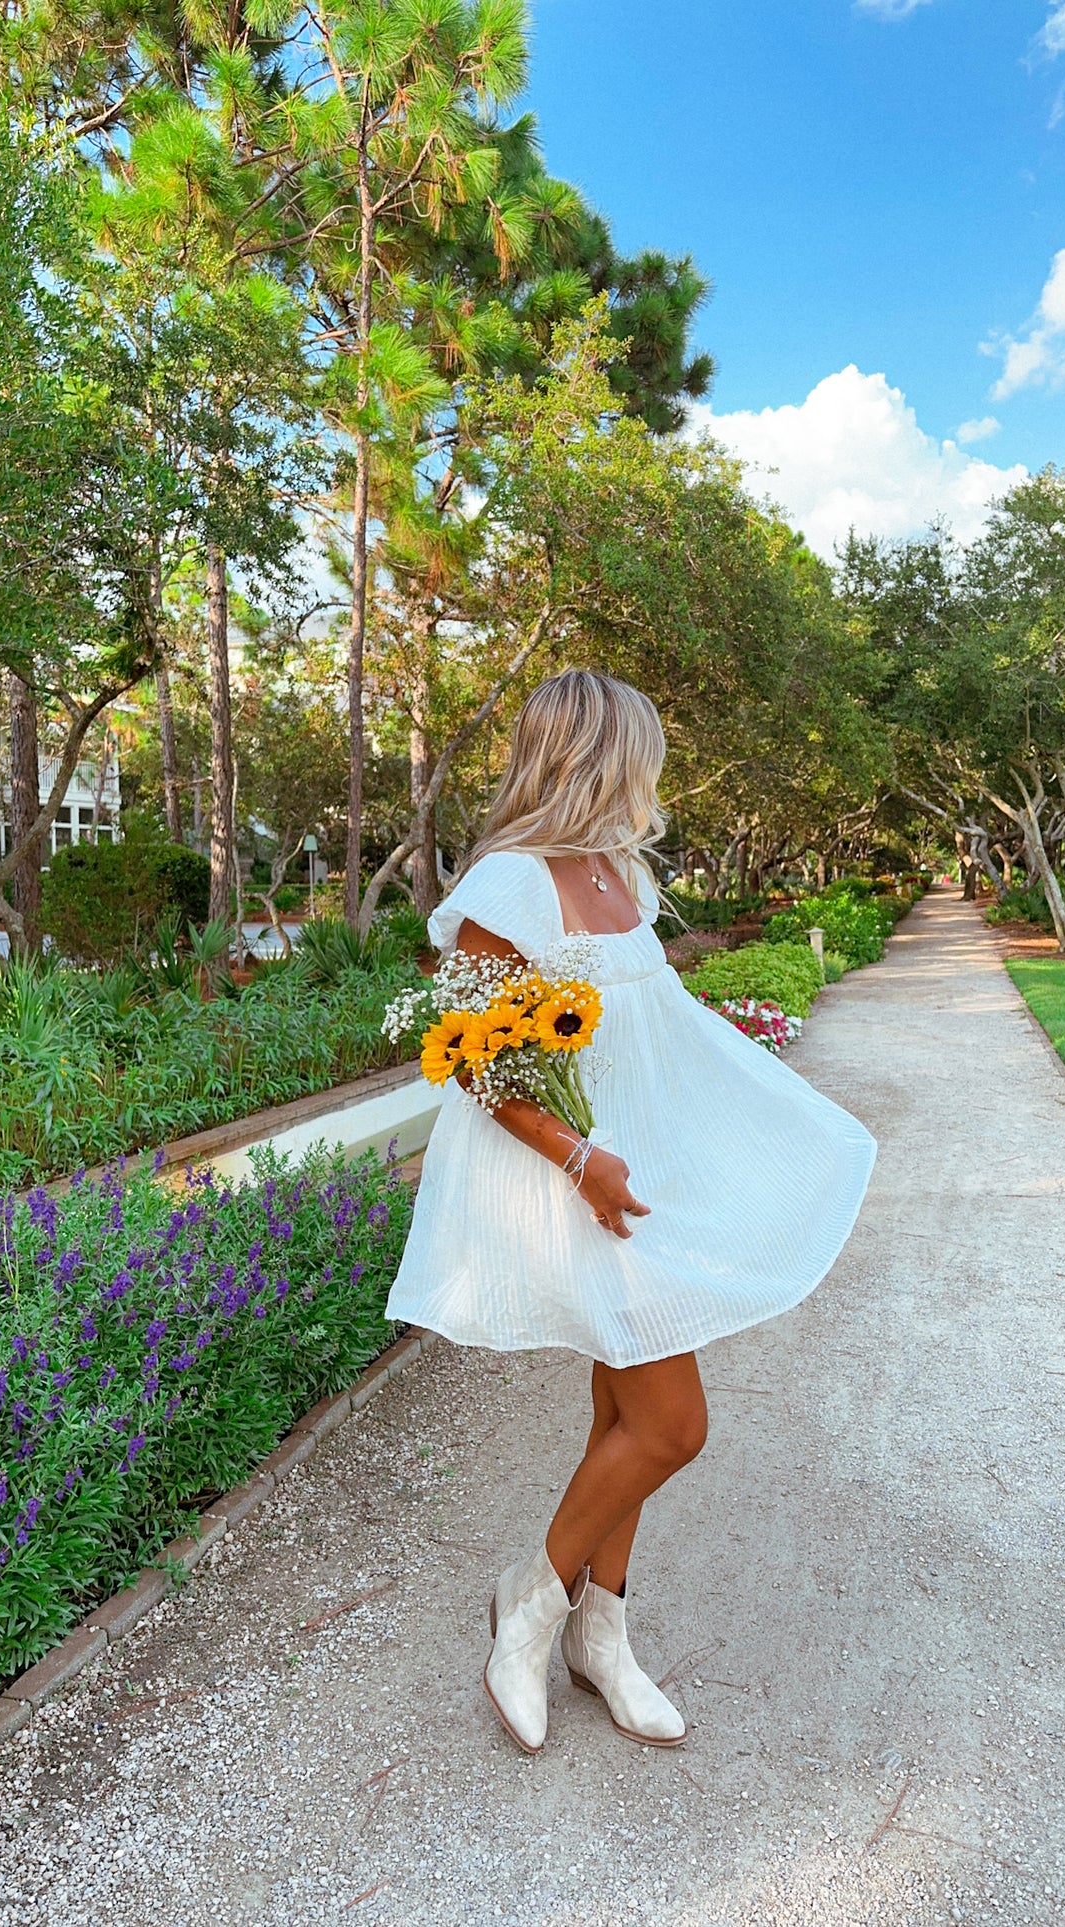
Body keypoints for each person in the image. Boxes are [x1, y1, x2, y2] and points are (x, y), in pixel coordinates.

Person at [385, 669, 876, 1753]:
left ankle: (599, 1629)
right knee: (672, 1425)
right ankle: (531, 1602)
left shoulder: (618, 873)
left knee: (623, 1419)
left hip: (635, 1179)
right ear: (594, 754)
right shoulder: (507, 887)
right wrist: (578, 1158)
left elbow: (657, 1026)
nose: (650, 775)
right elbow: (474, 1062)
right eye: (639, 752)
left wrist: (762, 1108)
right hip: (569, 1187)